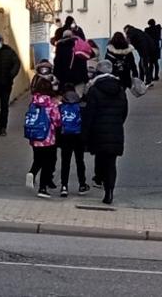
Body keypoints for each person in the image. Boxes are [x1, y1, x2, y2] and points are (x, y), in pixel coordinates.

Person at [84, 58, 129, 205]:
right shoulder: (120, 89)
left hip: (98, 130)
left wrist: (86, 133)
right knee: (111, 163)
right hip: (115, 130)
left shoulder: (94, 89)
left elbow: (89, 113)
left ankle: (100, 179)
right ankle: (109, 192)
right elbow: (124, 111)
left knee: (101, 158)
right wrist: (117, 122)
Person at [24, 76, 61, 199]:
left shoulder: (33, 101)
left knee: (38, 159)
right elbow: (57, 121)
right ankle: (42, 188)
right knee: (47, 163)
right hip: (48, 138)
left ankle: (32, 173)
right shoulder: (51, 103)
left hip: (35, 137)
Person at [56, 83, 89, 198]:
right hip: (78, 137)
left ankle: (64, 186)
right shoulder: (81, 106)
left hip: (65, 137)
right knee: (80, 161)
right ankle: (82, 184)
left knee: (65, 162)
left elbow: (57, 123)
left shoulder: (60, 107)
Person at [53, 30, 89, 94]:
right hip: (77, 77)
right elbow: (83, 61)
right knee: (78, 96)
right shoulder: (78, 44)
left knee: (65, 95)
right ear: (72, 35)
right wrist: (85, 77)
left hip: (64, 77)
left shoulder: (60, 45)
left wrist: (56, 75)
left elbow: (57, 62)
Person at [146, 19, 162, 84]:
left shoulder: (147, 30)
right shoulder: (158, 29)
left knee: (151, 63)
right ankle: (156, 76)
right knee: (156, 63)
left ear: (149, 24)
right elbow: (159, 26)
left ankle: (150, 76)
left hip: (150, 48)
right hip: (157, 48)